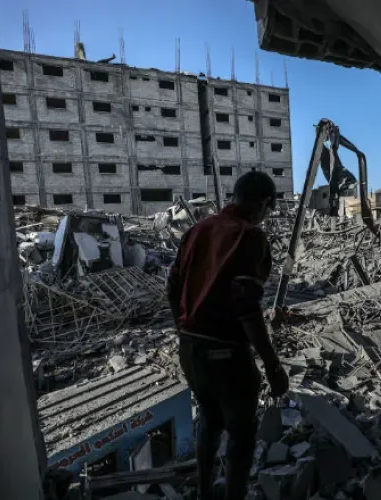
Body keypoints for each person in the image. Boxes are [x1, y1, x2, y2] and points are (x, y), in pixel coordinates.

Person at [167, 172, 289, 500]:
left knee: (208, 419)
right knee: (241, 434)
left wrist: (183, 329)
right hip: (227, 359)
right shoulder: (250, 237)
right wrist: (273, 366)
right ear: (265, 203)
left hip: (190, 351)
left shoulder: (196, 230)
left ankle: (206, 493)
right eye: (268, 207)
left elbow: (172, 285)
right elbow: (247, 307)